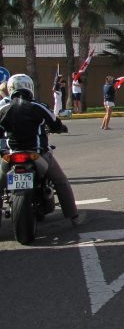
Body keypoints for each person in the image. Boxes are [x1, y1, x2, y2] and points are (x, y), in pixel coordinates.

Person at [0, 73, 83, 226]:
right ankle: (73, 216)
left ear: (10, 89)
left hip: (11, 156)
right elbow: (55, 124)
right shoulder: (38, 106)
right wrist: (61, 128)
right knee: (60, 181)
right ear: (30, 88)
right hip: (37, 154)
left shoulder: (4, 109)